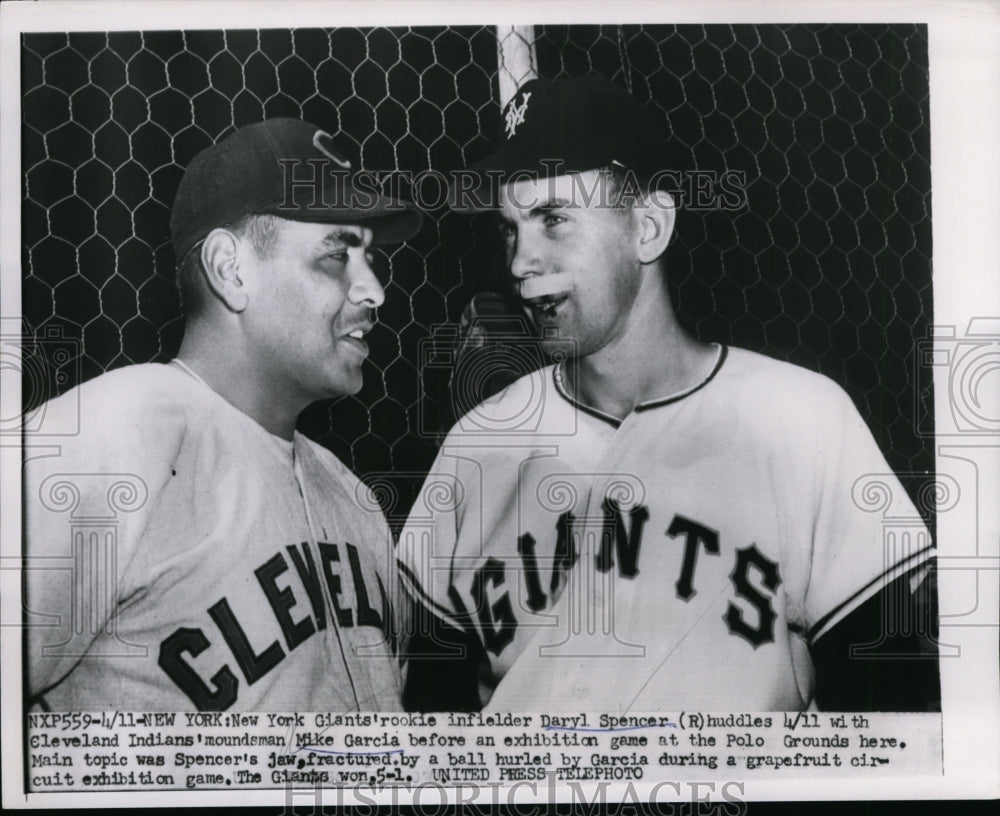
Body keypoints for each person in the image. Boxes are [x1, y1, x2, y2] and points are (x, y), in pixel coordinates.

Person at [398, 77, 939, 712]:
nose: (521, 261)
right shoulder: (478, 445)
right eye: (509, 229)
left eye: (553, 220)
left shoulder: (802, 421)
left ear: (648, 228)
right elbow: (429, 720)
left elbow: (894, 709)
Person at [23, 118, 422, 711]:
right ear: (231, 270)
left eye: (371, 258)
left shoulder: (356, 500)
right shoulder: (119, 431)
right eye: (338, 256)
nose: (374, 292)